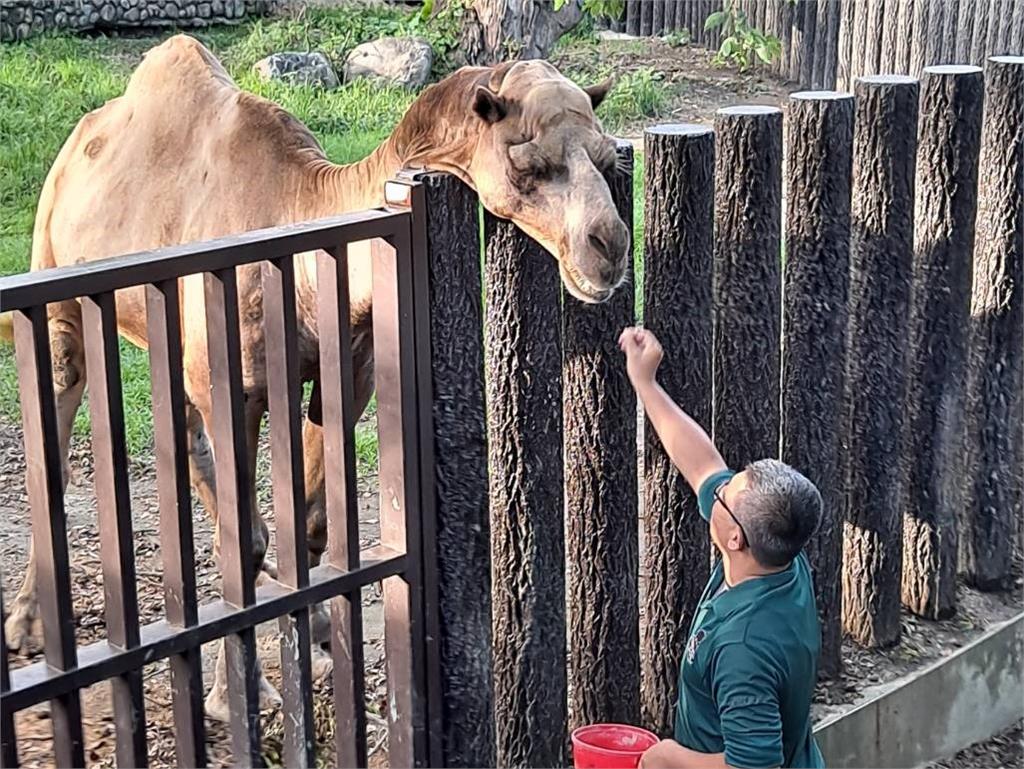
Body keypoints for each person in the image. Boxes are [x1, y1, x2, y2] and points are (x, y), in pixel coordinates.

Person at [619, 326, 825, 769]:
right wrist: (646, 383)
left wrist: (669, 757)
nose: (718, 488)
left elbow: (754, 765)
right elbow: (702, 464)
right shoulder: (782, 554)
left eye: (726, 493)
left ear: (735, 537)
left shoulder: (744, 648)